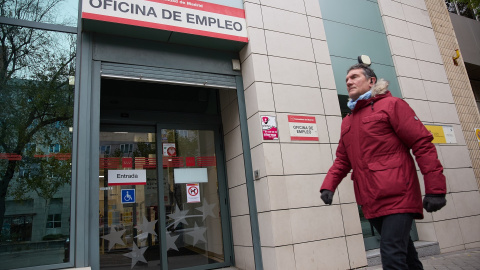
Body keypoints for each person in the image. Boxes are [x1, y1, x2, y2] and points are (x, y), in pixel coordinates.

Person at [320, 63, 447, 270]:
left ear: (371, 81)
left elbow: (422, 144)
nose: (349, 82)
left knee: (391, 255)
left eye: (354, 77)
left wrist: (436, 189)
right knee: (405, 255)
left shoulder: (392, 105)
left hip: (399, 194)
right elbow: (343, 160)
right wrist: (329, 185)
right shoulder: (348, 121)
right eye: (346, 80)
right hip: (370, 199)